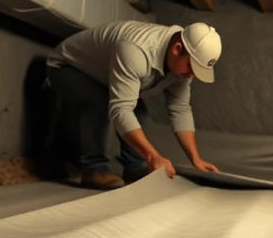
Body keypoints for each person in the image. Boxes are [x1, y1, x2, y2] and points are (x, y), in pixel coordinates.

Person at [45, 19, 221, 190]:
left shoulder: (184, 64)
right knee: (99, 102)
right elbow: (121, 110)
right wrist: (153, 156)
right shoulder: (135, 50)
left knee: (140, 112)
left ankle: (134, 168)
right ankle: (94, 170)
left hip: (101, 76)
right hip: (66, 67)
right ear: (177, 49)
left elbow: (180, 109)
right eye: (191, 68)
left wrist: (196, 159)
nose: (192, 75)